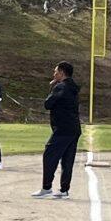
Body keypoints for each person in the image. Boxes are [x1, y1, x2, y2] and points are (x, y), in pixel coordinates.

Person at [37, 63, 80, 199]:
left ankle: (46, 188)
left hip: (63, 128)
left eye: (55, 71)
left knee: (49, 154)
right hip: (74, 128)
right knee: (67, 160)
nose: (54, 74)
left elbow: (48, 104)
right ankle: (64, 190)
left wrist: (53, 86)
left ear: (61, 72)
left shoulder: (61, 87)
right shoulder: (73, 87)